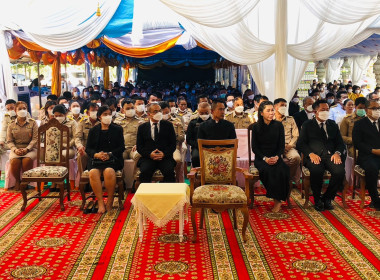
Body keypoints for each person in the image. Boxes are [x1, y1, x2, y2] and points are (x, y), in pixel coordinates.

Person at [297, 100, 346, 211]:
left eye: (327, 110)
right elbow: (301, 143)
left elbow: (340, 143)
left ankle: (327, 198)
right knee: (316, 171)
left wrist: (337, 153)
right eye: (323, 110)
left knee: (340, 172)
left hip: (331, 156)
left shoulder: (332, 124)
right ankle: (317, 199)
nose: (326, 112)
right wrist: (310, 154)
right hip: (314, 156)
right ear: (315, 111)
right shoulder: (307, 124)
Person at [251, 101, 290, 212]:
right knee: (269, 170)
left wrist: (277, 157)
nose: (271, 112)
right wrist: (265, 158)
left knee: (283, 170)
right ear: (261, 113)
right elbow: (254, 148)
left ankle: (279, 198)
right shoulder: (256, 127)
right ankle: (277, 200)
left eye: (272, 110)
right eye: (268, 110)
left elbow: (281, 146)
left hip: (276, 157)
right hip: (261, 158)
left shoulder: (278, 125)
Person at [86, 106, 125, 213]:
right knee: (93, 172)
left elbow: (121, 147)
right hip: (97, 160)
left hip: (113, 159)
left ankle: (110, 201)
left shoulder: (117, 129)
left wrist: (109, 154)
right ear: (99, 117)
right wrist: (96, 155)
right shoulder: (93, 130)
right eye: (105, 114)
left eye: (109, 114)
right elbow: (88, 148)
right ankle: (100, 202)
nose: (108, 116)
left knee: (108, 171)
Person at [136, 103, 177, 183]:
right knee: (144, 172)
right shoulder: (142, 128)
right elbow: (139, 147)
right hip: (148, 157)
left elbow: (173, 145)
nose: (158, 113)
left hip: (165, 157)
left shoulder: (168, 125)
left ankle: (166, 194)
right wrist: (150, 154)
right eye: (155, 111)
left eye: (160, 111)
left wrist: (164, 154)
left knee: (169, 172)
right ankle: (146, 195)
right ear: (149, 114)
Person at [352, 99, 380, 210]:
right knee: (372, 169)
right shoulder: (359, 124)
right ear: (367, 110)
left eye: (378, 108)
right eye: (374, 108)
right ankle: (375, 200)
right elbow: (358, 143)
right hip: (368, 156)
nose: (377, 110)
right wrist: (373, 150)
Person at [7, 101, 38, 190]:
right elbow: (9, 141)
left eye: (24, 108)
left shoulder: (33, 123)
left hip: (30, 149)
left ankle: (25, 181)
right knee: (14, 161)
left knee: (26, 160)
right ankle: (17, 180)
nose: (22, 110)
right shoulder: (11, 125)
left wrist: (27, 149)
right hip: (16, 148)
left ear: (27, 110)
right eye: (19, 109)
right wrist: (15, 150)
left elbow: (35, 139)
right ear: (15, 111)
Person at [273, 98, 301, 185]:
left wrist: (289, 146)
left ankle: (288, 178)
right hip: (275, 147)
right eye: (282, 105)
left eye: (285, 105)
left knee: (296, 158)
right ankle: (276, 181)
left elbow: (296, 135)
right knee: (276, 160)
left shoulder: (290, 119)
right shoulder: (270, 120)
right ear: (275, 107)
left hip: (288, 146)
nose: (284, 107)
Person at [75, 103, 100, 174]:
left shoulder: (102, 123)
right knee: (81, 155)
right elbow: (77, 137)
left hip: (99, 149)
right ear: (87, 112)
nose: (95, 112)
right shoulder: (82, 122)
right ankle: (82, 178)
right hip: (86, 149)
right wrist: (79, 146)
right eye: (93, 110)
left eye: (97, 110)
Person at [187, 102, 211, 167]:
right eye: (201, 113)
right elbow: (188, 139)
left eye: (206, 113)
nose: (204, 115)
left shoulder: (214, 122)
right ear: (198, 111)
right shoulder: (193, 123)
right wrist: (197, 144)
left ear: (210, 111)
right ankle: (197, 175)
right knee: (195, 157)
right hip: (197, 147)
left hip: (212, 147)